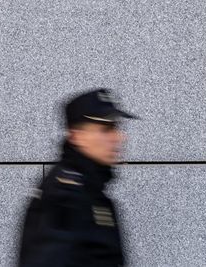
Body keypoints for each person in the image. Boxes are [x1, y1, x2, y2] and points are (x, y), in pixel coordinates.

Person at [17, 88, 137, 266]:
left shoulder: (91, 189)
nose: (119, 137)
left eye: (116, 127)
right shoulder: (64, 195)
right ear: (77, 136)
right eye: (106, 129)